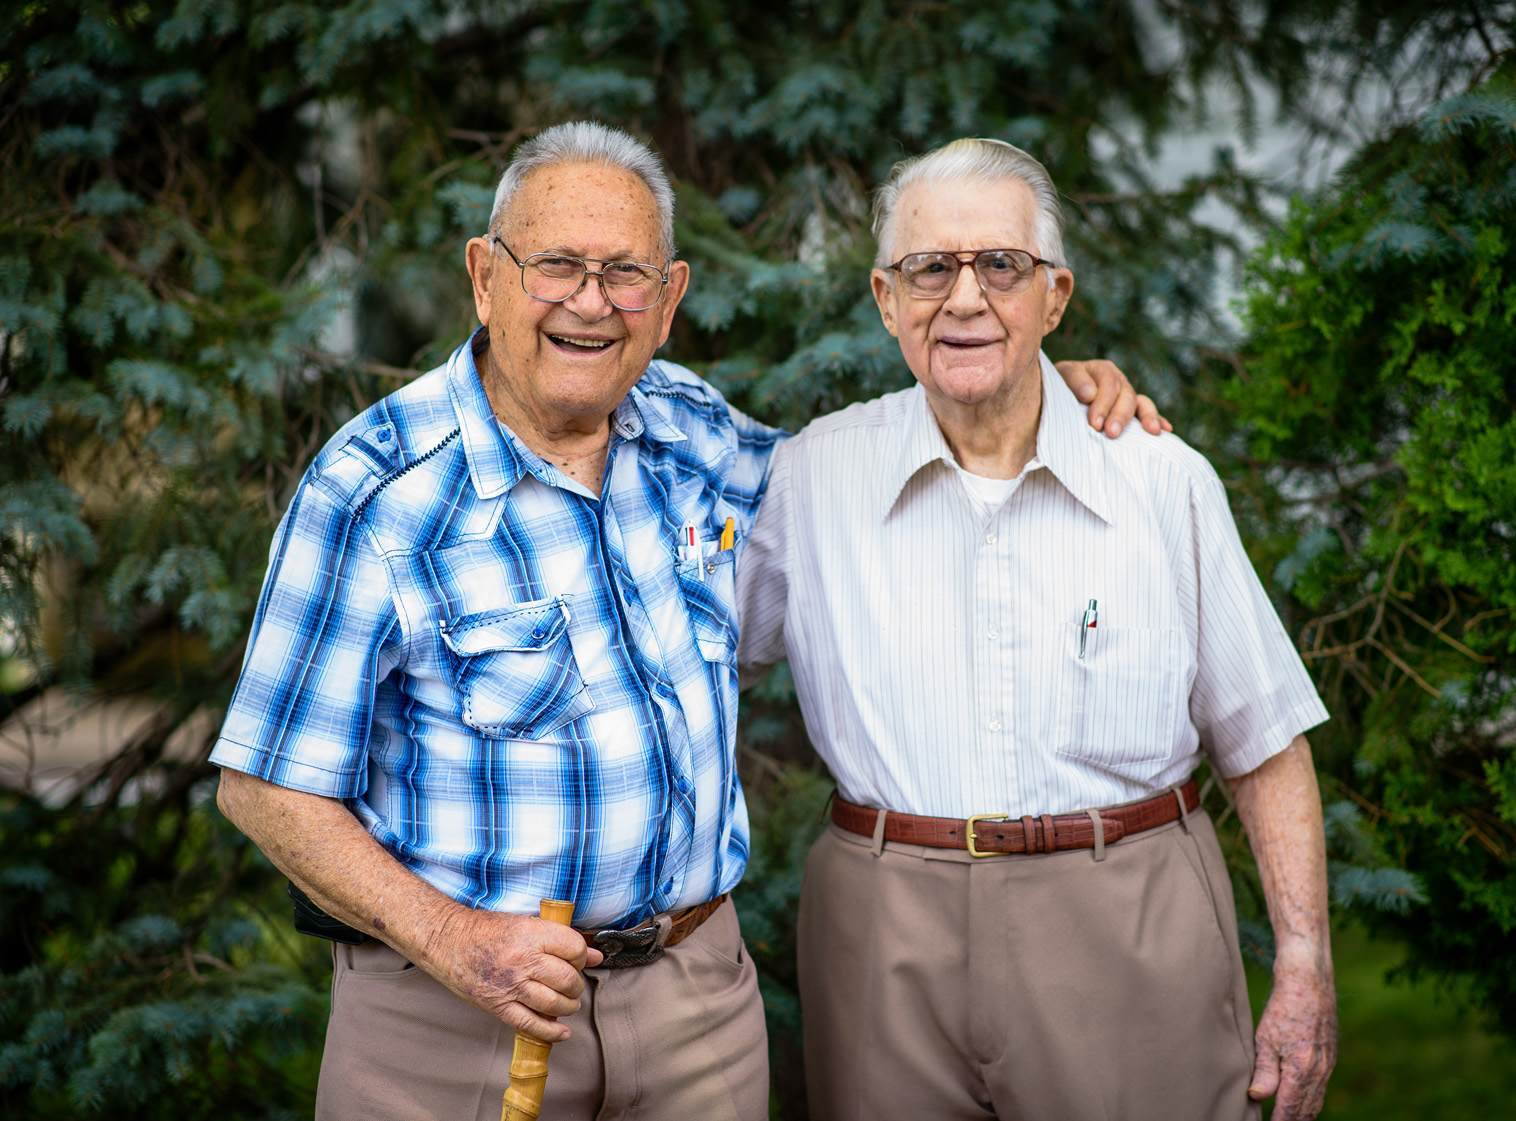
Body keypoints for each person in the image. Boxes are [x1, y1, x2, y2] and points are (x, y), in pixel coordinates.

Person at [209, 121, 1151, 1121]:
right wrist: (453, 940)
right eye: (557, 265)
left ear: (668, 301)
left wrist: (1031, 383)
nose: (590, 300)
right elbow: (266, 785)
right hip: (457, 1025)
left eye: (625, 273)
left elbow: (864, 488)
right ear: (486, 277)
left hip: (699, 1007)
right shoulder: (376, 490)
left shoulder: (689, 427)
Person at [737, 138, 1338, 1121]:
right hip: (882, 940)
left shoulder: (1160, 479)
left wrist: (1306, 964)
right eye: (930, 267)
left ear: (1054, 297)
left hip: (1127, 924)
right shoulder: (809, 479)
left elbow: (1263, 736)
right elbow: (686, 663)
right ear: (887, 301)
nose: (964, 297)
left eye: (1000, 265)